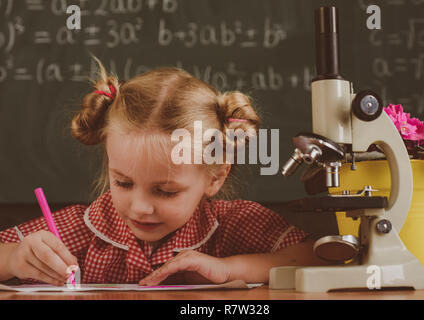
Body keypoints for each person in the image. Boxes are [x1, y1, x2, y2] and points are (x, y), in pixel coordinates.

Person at [0, 58, 323, 286]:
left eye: (165, 191)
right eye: (123, 183)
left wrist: (228, 269)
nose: (139, 206)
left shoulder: (236, 223)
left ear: (215, 177)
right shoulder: (78, 229)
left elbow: (318, 256)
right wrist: (14, 258)